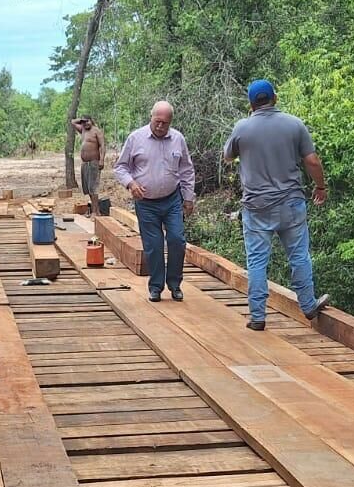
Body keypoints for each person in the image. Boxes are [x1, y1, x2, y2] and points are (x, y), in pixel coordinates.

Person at [222, 79, 331, 331]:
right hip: (291, 203)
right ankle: (307, 305)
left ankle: (258, 316)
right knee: (299, 256)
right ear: (275, 98)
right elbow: (312, 161)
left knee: (257, 262)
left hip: (256, 206)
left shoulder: (242, 128)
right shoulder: (294, 124)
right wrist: (321, 187)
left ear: (251, 104)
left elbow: (228, 157)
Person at [113, 100, 195, 302]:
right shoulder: (136, 138)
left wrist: (189, 197)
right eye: (157, 121)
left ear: (171, 122)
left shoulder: (178, 139)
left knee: (177, 240)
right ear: (151, 117)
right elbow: (120, 168)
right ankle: (156, 286)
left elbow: (186, 169)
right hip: (146, 202)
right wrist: (131, 184)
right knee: (153, 245)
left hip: (172, 199)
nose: (160, 126)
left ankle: (174, 284)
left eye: (164, 123)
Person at [70, 116, 106, 215]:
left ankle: (95, 211)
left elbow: (102, 145)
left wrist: (102, 160)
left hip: (94, 162)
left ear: (92, 121)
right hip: (85, 163)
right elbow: (72, 122)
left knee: (93, 187)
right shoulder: (82, 130)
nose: (86, 124)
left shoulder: (96, 131)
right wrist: (81, 120)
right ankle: (96, 210)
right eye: (84, 122)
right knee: (88, 188)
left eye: (87, 121)